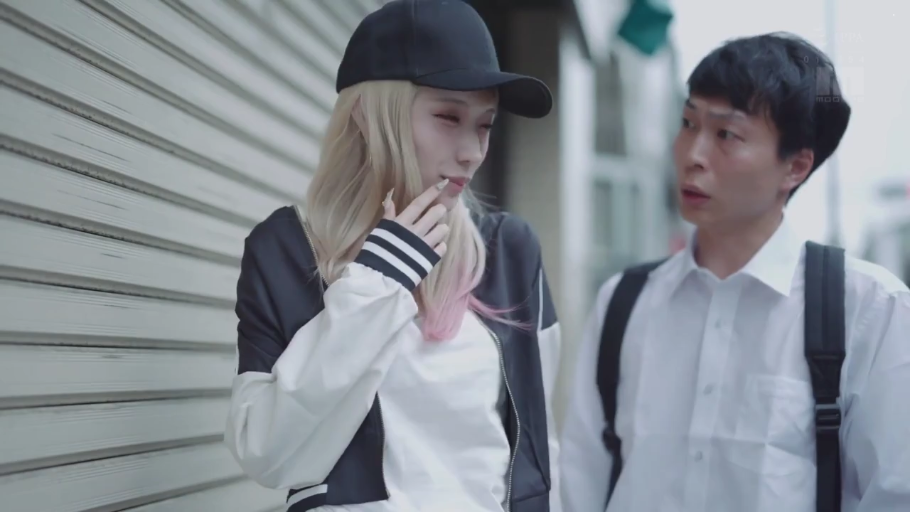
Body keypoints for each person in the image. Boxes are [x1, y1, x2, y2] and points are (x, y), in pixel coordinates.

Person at [224, 1, 562, 511]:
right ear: (370, 115)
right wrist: (380, 282)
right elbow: (266, 453)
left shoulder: (508, 251)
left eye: (485, 124)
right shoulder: (289, 250)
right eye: (448, 116)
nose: (472, 151)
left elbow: (542, 446)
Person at [559, 32, 910, 512]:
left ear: (795, 167)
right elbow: (580, 483)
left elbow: (894, 493)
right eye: (688, 123)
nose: (693, 154)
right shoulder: (625, 301)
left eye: (726, 134)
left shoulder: (869, 310)